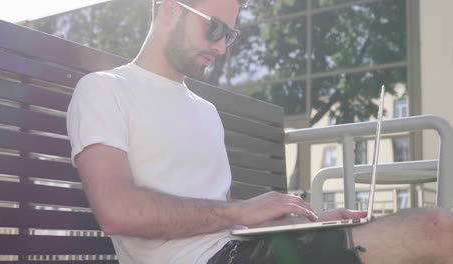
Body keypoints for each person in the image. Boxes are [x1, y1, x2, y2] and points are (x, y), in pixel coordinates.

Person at [66, 0, 453, 263]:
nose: (220, 46)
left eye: (228, 35)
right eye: (213, 28)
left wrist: (305, 226)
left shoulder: (205, 111)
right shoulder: (105, 89)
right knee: (433, 229)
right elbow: (116, 212)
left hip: (239, 252)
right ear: (169, 9)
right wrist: (242, 210)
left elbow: (223, 222)